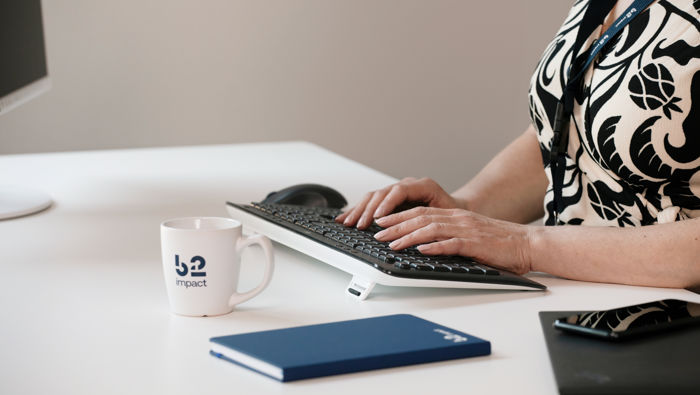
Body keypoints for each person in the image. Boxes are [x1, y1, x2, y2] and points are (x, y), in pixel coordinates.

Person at [336, 0, 700, 289]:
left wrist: (526, 246)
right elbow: (564, 134)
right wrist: (465, 208)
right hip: (578, 296)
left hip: (670, 318)